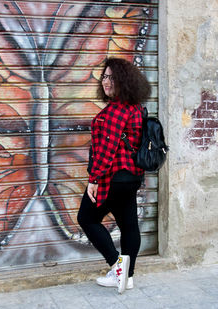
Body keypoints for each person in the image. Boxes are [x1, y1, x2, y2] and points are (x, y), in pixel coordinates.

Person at [77, 57, 151, 294]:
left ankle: (117, 268)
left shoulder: (116, 111)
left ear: (124, 80)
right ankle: (127, 278)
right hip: (131, 177)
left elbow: (106, 149)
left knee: (86, 219)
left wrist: (94, 179)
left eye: (112, 77)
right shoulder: (136, 108)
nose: (106, 81)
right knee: (129, 225)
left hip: (113, 177)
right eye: (104, 76)